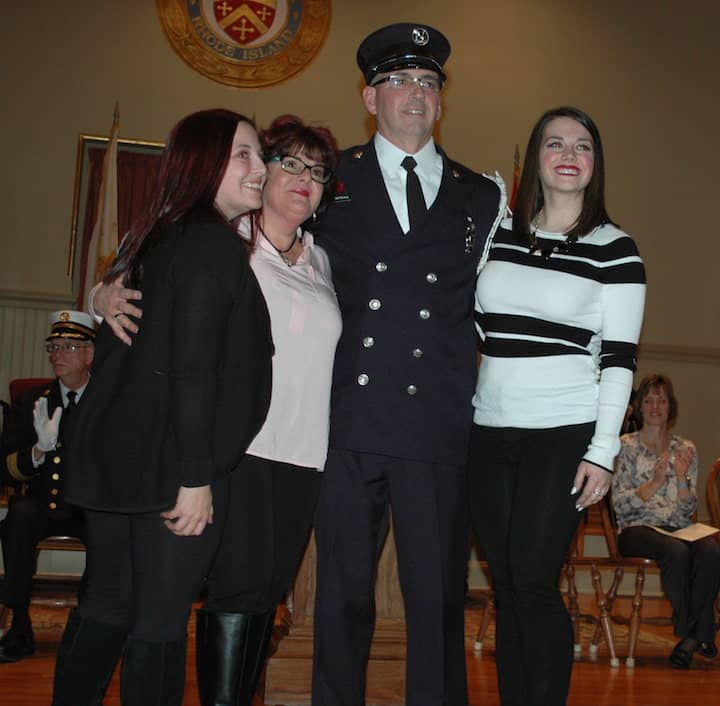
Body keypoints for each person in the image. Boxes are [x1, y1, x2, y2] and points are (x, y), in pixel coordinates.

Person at [87, 114, 342, 706]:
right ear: (259, 171)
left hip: (305, 453)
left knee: (265, 595)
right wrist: (102, 296)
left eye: (319, 170)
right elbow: (141, 286)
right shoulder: (222, 235)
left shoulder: (325, 261)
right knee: (229, 593)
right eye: (290, 163)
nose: (305, 179)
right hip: (236, 450)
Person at [50, 109, 274, 706]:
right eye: (243, 155)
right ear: (202, 164)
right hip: (171, 469)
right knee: (158, 624)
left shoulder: (154, 236)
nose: (261, 168)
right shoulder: (211, 245)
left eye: (259, 154)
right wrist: (196, 477)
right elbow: (194, 366)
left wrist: (99, 295)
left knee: (106, 605)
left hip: (119, 462)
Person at [311, 23, 504, 706]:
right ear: (369, 97)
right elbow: (255, 243)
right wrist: (109, 286)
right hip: (351, 419)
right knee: (341, 601)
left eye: (428, 83)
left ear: (442, 102)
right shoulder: (327, 178)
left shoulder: (482, 196)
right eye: (398, 81)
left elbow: (509, 298)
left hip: (435, 426)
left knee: (436, 606)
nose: (415, 94)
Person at [467, 106, 646, 706]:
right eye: (554, 143)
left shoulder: (616, 249)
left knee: (535, 582)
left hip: (564, 433)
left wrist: (603, 451)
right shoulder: (500, 232)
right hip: (489, 430)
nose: (568, 154)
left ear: (596, 164)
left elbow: (619, 359)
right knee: (510, 585)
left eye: (582, 145)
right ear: (536, 158)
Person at [0, 310, 95, 663]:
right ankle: (19, 626)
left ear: (91, 354)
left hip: (87, 505)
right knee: (19, 516)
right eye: (53, 346)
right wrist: (38, 451)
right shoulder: (31, 402)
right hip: (41, 504)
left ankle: (87, 630)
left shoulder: (107, 401)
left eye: (70, 346)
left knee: (109, 528)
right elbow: (5, 468)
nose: (58, 354)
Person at [612, 373, 720, 668]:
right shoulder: (626, 446)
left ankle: (691, 637)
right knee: (676, 551)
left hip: (677, 526)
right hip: (637, 527)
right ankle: (696, 632)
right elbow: (619, 504)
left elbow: (688, 508)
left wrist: (683, 478)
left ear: (670, 406)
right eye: (649, 400)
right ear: (639, 406)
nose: (656, 406)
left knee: (711, 549)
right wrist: (655, 483)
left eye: (661, 400)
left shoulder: (685, 448)